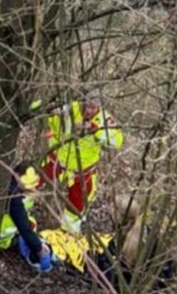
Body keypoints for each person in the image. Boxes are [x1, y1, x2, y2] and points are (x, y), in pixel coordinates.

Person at [35, 98, 124, 233]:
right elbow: (44, 114)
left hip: (83, 170)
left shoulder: (104, 119)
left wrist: (95, 129)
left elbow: (117, 141)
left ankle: (67, 235)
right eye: (87, 106)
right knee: (29, 183)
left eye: (93, 108)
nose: (88, 111)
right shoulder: (69, 107)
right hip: (56, 160)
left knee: (78, 206)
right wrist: (50, 110)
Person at [0, 166, 56, 273]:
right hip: (0, 237)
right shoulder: (12, 194)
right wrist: (39, 248)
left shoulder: (14, 186)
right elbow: (22, 223)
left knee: (31, 222)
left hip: (10, 232)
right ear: (17, 176)